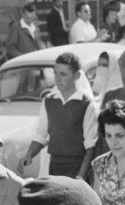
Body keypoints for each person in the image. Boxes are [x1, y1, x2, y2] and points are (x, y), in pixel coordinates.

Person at [22, 52, 98, 180]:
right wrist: (29, 155)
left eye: (63, 74)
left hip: (77, 166)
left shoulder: (86, 104)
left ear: (77, 76)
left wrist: (81, 175)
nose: (57, 78)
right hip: (55, 166)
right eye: (55, 73)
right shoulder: (49, 100)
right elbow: (41, 135)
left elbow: (90, 146)